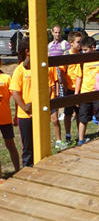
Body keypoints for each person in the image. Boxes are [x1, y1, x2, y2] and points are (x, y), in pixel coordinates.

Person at [11, 37, 53, 167]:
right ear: (28, 51)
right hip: (25, 116)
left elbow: (49, 87)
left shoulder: (43, 68)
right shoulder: (20, 70)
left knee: (41, 144)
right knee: (28, 148)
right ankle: (27, 172)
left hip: (40, 113)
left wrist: (42, 106)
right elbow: (15, 93)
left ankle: (42, 169)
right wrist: (26, 109)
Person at [75, 36, 99, 145]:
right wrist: (76, 94)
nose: (84, 52)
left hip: (98, 93)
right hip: (85, 93)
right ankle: (81, 140)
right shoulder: (82, 61)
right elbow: (79, 77)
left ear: (93, 47)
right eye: (82, 50)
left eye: (85, 50)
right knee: (83, 118)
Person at [59, 31, 83, 145]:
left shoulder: (81, 54)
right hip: (69, 88)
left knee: (79, 112)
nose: (80, 44)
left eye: (81, 42)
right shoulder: (66, 56)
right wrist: (66, 86)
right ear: (71, 43)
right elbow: (62, 72)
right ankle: (68, 135)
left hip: (80, 88)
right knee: (68, 113)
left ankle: (80, 134)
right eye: (78, 42)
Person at [0, 58, 20, 177]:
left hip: (5, 119)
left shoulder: (6, 78)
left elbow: (15, 96)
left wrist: (17, 115)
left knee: (10, 144)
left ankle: (18, 171)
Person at [48, 25, 70, 121]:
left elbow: (68, 58)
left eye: (59, 32)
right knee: (55, 91)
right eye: (56, 32)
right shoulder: (49, 45)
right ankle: (55, 111)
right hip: (51, 72)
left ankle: (65, 112)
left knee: (63, 90)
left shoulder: (65, 44)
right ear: (52, 32)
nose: (57, 34)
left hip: (61, 71)